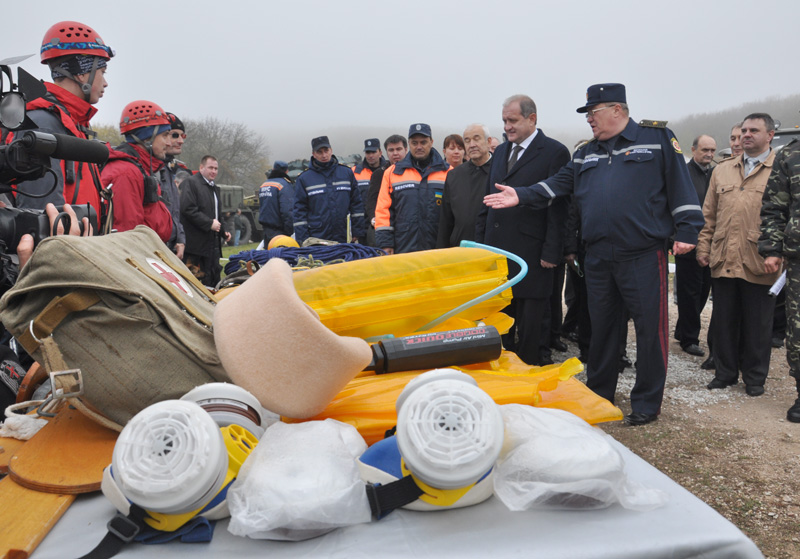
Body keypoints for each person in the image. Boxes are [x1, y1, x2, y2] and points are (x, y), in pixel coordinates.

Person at [483, 83, 704, 426]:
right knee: (601, 328)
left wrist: (688, 230)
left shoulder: (656, 140)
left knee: (650, 330)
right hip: (598, 255)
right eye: (587, 114)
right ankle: (599, 393)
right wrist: (521, 195)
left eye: (593, 112)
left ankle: (645, 403)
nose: (589, 119)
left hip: (642, 253)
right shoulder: (586, 152)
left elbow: (680, 185)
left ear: (617, 110)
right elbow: (558, 183)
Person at [476, 95, 570, 366]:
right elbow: (488, 202)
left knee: (531, 327)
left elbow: (559, 208)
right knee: (501, 322)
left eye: (513, 120)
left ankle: (530, 375)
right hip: (497, 252)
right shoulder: (502, 151)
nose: (507, 126)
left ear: (532, 119)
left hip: (532, 254)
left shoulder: (554, 152)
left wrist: (552, 251)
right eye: (504, 121)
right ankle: (504, 374)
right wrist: (482, 246)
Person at [697, 113, 780, 397]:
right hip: (724, 257)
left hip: (760, 260)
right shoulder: (723, 170)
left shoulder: (780, 169)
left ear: (769, 135)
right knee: (724, 320)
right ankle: (725, 373)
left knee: (758, 325)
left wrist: (779, 252)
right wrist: (704, 247)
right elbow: (709, 215)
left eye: (753, 130)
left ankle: (755, 379)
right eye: (743, 130)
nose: (746, 135)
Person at [14, 20, 114, 224]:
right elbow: (42, 217)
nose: (105, 82)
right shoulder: (42, 123)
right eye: (102, 72)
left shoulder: (73, 123)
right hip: (63, 251)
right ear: (82, 73)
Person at [759, 130, 800, 421]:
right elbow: (774, 207)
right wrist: (772, 248)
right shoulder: (790, 154)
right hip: (798, 259)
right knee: (797, 332)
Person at [100, 100, 173, 241]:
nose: (169, 143)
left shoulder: (138, 168)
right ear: (147, 139)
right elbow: (126, 236)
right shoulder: (126, 173)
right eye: (165, 135)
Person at [375, 124, 449, 254]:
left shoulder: (448, 172)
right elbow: (383, 211)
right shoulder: (392, 173)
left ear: (431, 142)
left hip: (438, 246)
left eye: (423, 142)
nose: (419, 147)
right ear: (409, 144)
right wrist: (385, 243)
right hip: (403, 245)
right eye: (414, 143)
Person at [675, 134, 717, 358]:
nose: (709, 155)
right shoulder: (684, 174)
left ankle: (682, 330)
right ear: (693, 150)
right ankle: (690, 338)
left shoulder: (716, 173)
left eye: (712, 150)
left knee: (703, 291)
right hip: (688, 241)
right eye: (705, 150)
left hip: (710, 242)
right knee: (688, 292)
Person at [293, 136, 365, 245]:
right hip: (317, 238)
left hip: (344, 236)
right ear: (313, 154)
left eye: (326, 151)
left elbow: (356, 203)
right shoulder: (304, 179)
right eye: (319, 152)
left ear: (331, 150)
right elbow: (299, 212)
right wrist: (303, 239)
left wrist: (357, 231)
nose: (324, 155)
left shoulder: (346, 173)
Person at [436, 124, 492, 248]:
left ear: (488, 141)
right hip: (461, 250)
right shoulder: (454, 175)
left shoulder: (501, 172)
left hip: (493, 250)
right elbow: (446, 221)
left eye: (476, 139)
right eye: (467, 140)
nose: (472, 144)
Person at [180, 155, 230, 288]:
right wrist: (209, 224)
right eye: (210, 168)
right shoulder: (191, 183)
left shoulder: (214, 188)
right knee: (193, 284)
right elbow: (188, 209)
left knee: (214, 279)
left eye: (216, 168)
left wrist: (224, 231)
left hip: (212, 245)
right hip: (195, 246)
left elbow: (217, 214)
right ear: (201, 168)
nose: (214, 171)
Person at [159, 112, 188, 259]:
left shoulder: (169, 170)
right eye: (174, 135)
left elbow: (174, 213)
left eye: (183, 136)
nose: (180, 141)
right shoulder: (154, 170)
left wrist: (180, 239)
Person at [258, 160, 294, 244]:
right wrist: (289, 231)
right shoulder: (284, 185)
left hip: (266, 230)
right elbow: (287, 211)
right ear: (287, 171)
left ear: (273, 169)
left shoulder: (264, 185)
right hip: (280, 232)